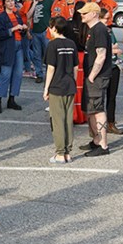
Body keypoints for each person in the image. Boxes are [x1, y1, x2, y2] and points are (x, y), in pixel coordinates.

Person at [43, 17, 78, 163]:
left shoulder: (52, 45)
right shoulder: (71, 44)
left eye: (50, 27)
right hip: (70, 85)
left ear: (54, 28)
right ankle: (68, 152)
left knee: (57, 120)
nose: (49, 30)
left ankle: (59, 153)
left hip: (57, 86)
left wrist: (46, 89)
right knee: (68, 119)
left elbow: (51, 68)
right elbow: (75, 67)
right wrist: (74, 82)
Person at [80, 2, 112, 156]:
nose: (82, 15)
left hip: (98, 77)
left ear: (93, 14)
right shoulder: (94, 29)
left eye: (84, 13)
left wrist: (92, 75)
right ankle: (96, 140)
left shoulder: (99, 30)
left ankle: (103, 145)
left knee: (98, 109)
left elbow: (101, 54)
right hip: (94, 76)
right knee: (91, 109)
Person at [0, 0, 26, 114]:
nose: (11, 3)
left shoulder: (17, 16)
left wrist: (23, 29)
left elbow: (20, 32)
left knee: (18, 74)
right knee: (5, 74)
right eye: (8, 1)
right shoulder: (1, 17)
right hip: (7, 48)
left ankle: (12, 99)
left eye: (12, 1)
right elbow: (0, 34)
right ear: (4, 4)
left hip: (18, 46)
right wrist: (12, 29)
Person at [29, 0, 53, 84]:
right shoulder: (34, 3)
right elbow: (28, 15)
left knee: (48, 54)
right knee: (36, 55)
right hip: (35, 31)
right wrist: (34, 4)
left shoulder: (49, 2)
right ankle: (39, 74)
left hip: (45, 31)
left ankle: (49, 74)